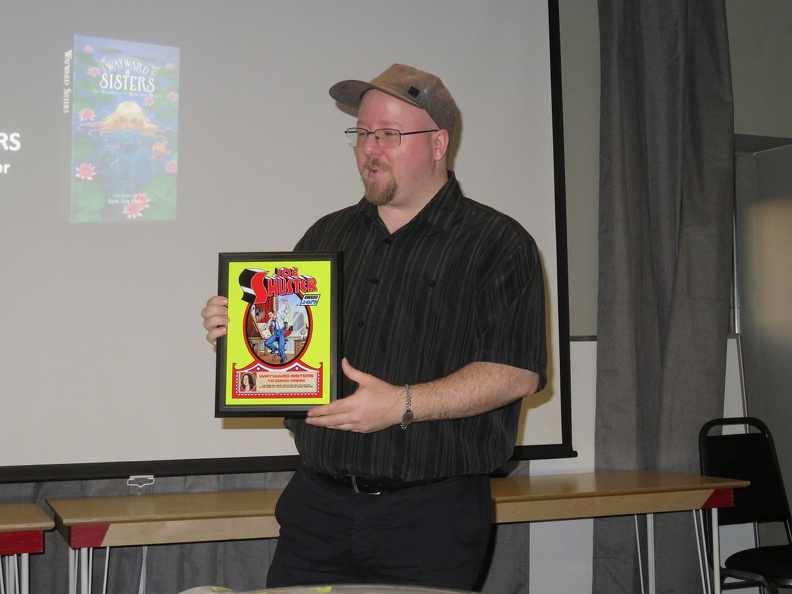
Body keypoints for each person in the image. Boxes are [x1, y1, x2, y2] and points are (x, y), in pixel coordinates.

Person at [201, 63, 547, 590]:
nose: (369, 149)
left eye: (388, 134)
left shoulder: (498, 243)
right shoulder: (326, 235)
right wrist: (242, 337)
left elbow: (515, 372)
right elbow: (292, 351)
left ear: (437, 144)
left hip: (430, 518)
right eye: (361, 134)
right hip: (316, 511)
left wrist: (400, 404)